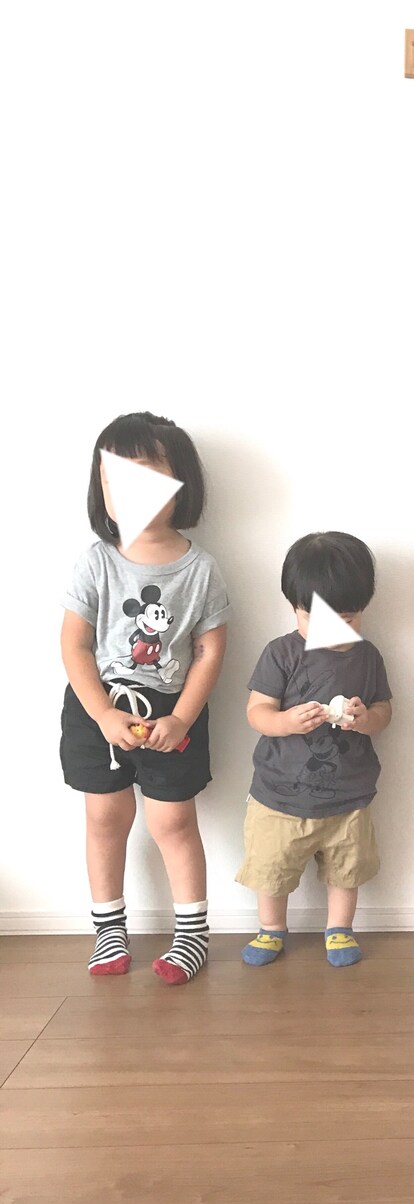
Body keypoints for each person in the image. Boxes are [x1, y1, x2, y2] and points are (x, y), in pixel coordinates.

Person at [60, 412, 230, 983]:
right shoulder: (95, 561)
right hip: (98, 711)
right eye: (115, 479)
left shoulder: (201, 569)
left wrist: (181, 718)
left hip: (172, 714)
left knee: (173, 823)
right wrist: (102, 713)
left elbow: (210, 652)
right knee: (104, 819)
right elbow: (74, 646)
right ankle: (109, 929)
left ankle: (192, 933)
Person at [237, 532, 392, 967]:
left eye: (346, 618)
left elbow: (384, 712)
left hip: (348, 796)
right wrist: (286, 722)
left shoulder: (367, 657)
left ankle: (340, 928)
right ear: (294, 607)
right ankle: (271, 928)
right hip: (279, 795)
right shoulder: (281, 653)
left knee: (347, 868)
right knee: (272, 867)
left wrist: (365, 719)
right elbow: (256, 711)